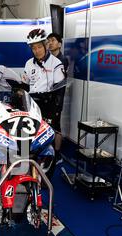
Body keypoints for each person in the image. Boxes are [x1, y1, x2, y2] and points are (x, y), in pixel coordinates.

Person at [22, 28, 65, 177]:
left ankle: (47, 175)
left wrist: (56, 110)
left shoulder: (56, 63)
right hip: (32, 103)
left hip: (50, 104)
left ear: (46, 45)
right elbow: (26, 84)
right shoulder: (28, 63)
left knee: (48, 141)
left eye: (39, 46)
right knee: (30, 137)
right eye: (33, 48)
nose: (36, 50)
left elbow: (60, 89)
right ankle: (29, 171)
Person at [47, 32, 68, 164]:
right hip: (46, 98)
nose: (50, 43)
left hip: (57, 98)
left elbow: (59, 83)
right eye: (48, 40)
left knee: (56, 125)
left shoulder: (62, 60)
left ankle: (58, 155)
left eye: (53, 40)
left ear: (59, 44)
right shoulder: (47, 59)